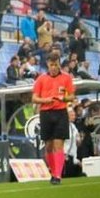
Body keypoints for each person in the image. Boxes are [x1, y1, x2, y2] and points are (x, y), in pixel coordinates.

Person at [32, 52, 74, 185]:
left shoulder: (67, 78)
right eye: (51, 65)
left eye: (56, 65)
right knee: (49, 146)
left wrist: (64, 98)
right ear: (47, 65)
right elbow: (34, 98)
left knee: (58, 144)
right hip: (45, 113)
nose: (54, 67)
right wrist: (46, 100)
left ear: (59, 64)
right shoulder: (41, 79)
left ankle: (57, 175)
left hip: (60, 112)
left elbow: (72, 96)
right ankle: (52, 171)